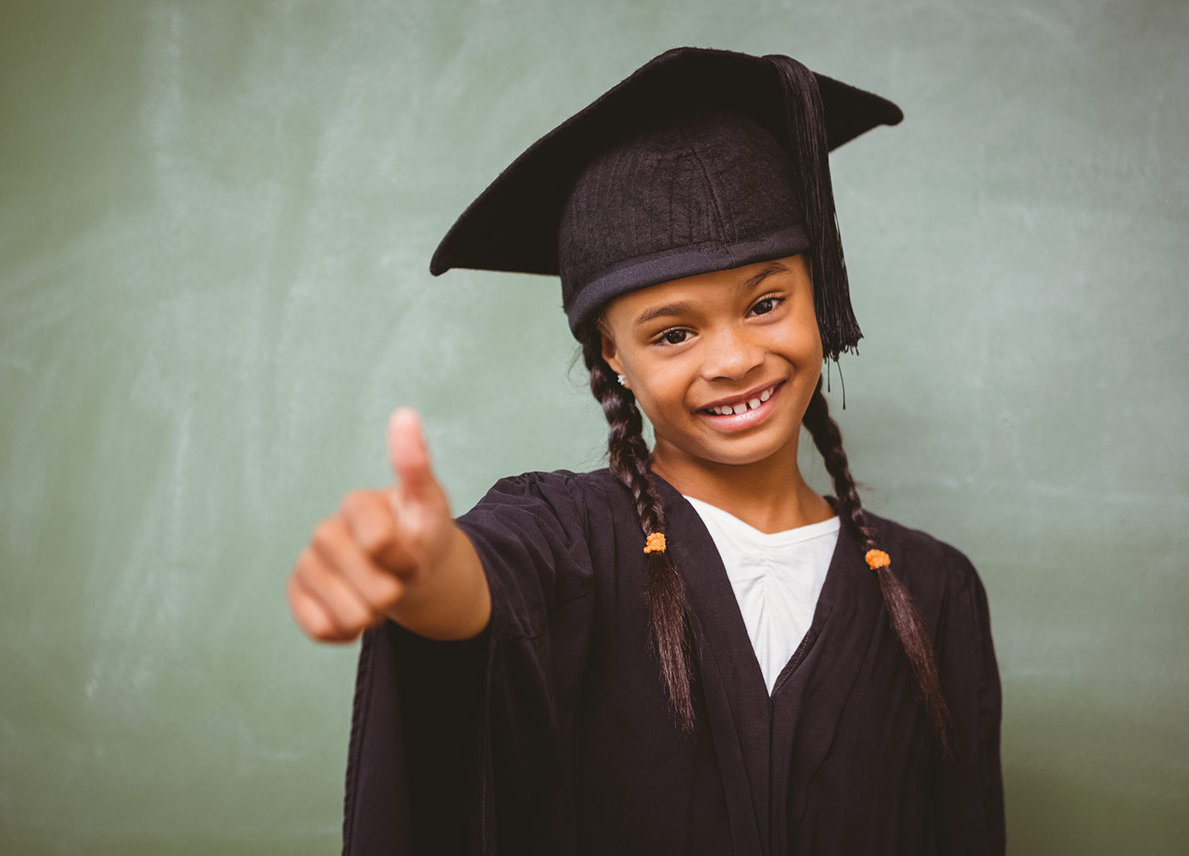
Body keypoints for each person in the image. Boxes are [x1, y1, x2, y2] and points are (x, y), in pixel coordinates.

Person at [287, 47, 1004, 855]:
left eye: (767, 302)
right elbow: (484, 590)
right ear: (613, 355)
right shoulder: (567, 538)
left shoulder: (934, 592)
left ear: (820, 294)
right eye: (673, 332)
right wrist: (420, 575)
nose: (733, 358)